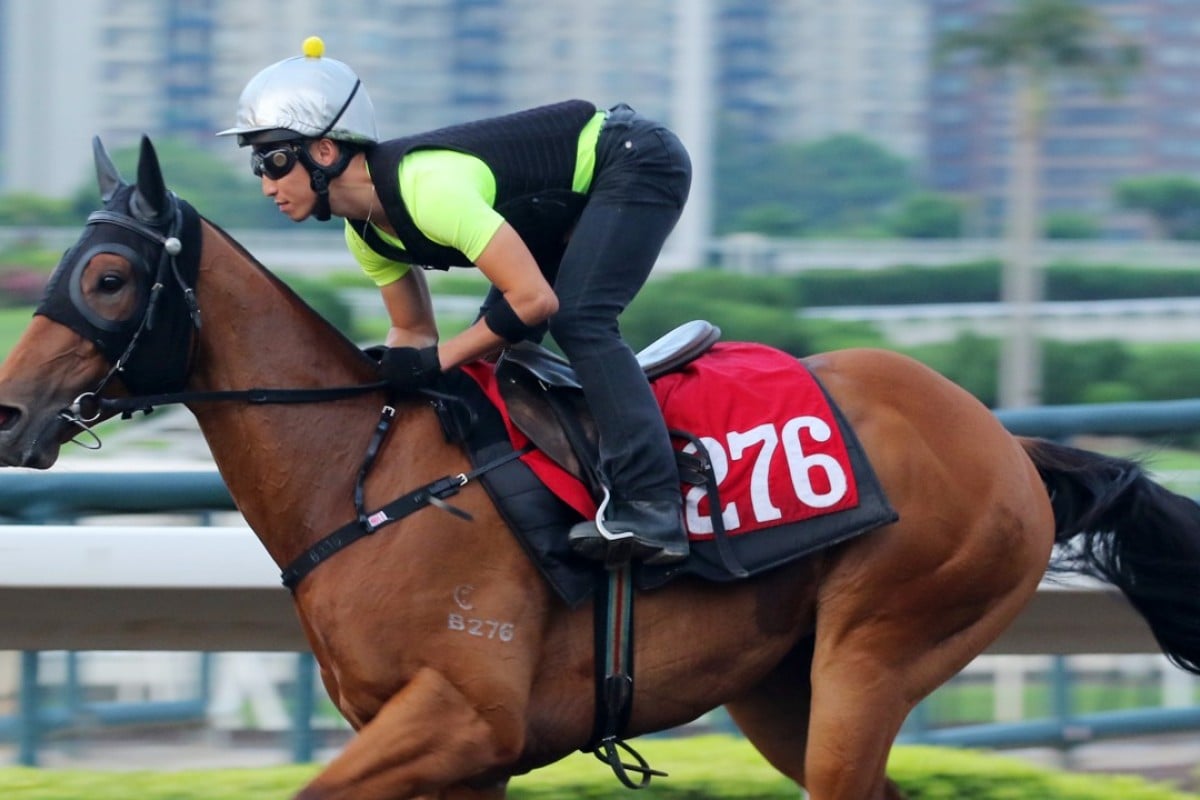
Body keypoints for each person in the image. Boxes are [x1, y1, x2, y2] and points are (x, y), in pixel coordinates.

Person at [218, 37, 692, 565]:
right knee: (492, 357)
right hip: (555, 207)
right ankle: (554, 492)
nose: (267, 185)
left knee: (581, 318)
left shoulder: (426, 191)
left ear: (324, 151)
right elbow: (413, 332)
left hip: (632, 161)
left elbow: (534, 301)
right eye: (258, 167)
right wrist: (386, 376)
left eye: (274, 161)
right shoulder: (364, 234)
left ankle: (652, 506)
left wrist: (436, 362)